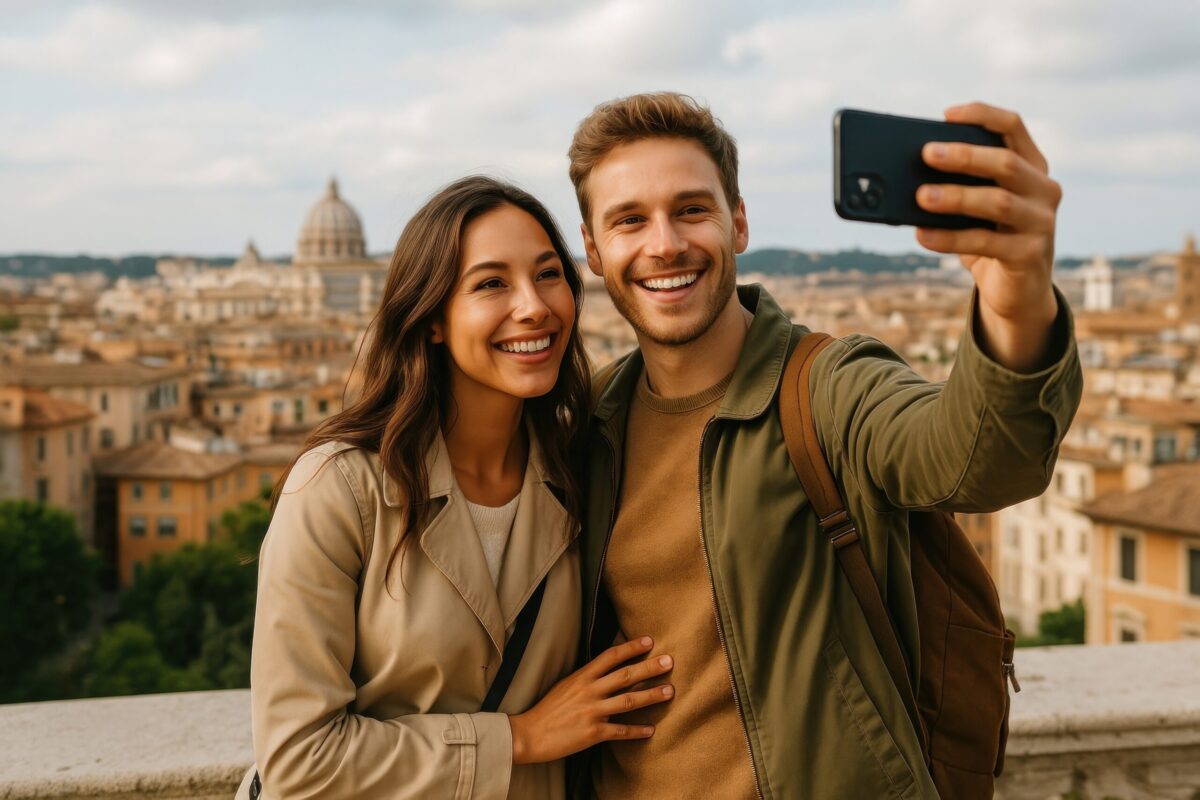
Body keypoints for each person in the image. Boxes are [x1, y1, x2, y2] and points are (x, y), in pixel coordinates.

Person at [569, 93, 1083, 798]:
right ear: (593, 250)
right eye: (629, 220)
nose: (664, 244)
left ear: (737, 222)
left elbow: (977, 460)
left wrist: (1017, 300)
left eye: (691, 209)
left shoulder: (828, 387)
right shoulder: (593, 417)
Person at [240, 176, 675, 799]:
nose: (534, 306)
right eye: (492, 283)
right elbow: (299, 760)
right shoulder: (336, 489)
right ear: (432, 319)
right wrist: (517, 738)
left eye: (548, 274)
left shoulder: (585, 470)